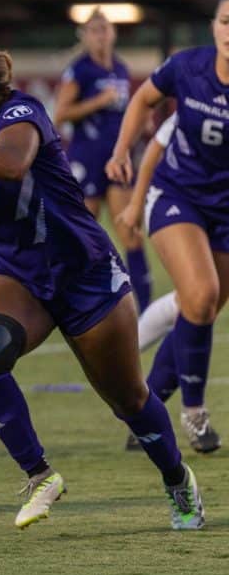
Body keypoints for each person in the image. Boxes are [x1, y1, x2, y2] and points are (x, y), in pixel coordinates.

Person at [0, 45, 203, 530]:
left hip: (86, 274)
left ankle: (176, 479)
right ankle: (40, 475)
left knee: (129, 401)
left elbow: (12, 164)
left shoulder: (23, 114)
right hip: (19, 276)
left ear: (0, 96)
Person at [106, 0, 229, 455]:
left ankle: (147, 410)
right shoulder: (188, 70)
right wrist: (121, 154)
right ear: (214, 26)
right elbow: (144, 105)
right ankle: (194, 415)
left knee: (200, 309)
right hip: (178, 196)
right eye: (224, 21)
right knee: (200, 296)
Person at [53, 8, 152, 310]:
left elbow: (127, 111)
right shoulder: (79, 70)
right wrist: (98, 101)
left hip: (117, 157)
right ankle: (69, 300)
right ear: (85, 36)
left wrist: (141, 123)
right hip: (87, 157)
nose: (101, 34)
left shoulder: (120, 69)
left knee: (129, 230)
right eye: (94, 29)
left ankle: (143, 307)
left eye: (105, 28)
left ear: (113, 33)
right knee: (83, 232)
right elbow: (60, 114)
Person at [114, 115, 181, 449]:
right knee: (195, 305)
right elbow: (157, 142)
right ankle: (148, 414)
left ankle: (145, 413)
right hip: (189, 204)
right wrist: (136, 204)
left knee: (194, 305)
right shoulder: (201, 84)